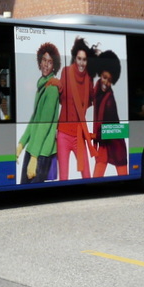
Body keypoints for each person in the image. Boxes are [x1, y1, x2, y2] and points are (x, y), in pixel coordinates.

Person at [17, 42, 61, 184]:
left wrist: (35, 157)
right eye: (44, 60)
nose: (46, 65)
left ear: (54, 65)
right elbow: (34, 119)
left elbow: (45, 125)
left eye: (50, 62)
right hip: (33, 149)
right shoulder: (42, 84)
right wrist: (22, 144)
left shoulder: (52, 88)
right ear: (39, 61)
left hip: (42, 152)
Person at [56, 37, 95, 180]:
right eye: (79, 58)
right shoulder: (65, 72)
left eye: (84, 60)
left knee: (87, 175)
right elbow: (60, 98)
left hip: (79, 135)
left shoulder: (89, 79)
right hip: (64, 134)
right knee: (63, 177)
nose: (81, 63)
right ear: (74, 58)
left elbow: (92, 99)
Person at [90, 51, 128, 177]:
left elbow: (111, 127)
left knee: (122, 172)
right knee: (98, 170)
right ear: (100, 75)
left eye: (109, 80)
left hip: (114, 142)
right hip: (105, 142)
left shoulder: (109, 101)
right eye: (104, 77)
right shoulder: (97, 89)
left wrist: (94, 135)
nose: (106, 82)